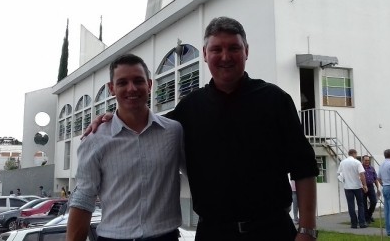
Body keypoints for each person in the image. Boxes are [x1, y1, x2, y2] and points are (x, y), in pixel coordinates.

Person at [84, 17, 319, 240]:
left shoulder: (275, 100)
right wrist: (112, 117)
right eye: (216, 49)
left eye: (234, 48)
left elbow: (304, 168)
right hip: (213, 233)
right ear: (205, 55)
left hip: (272, 230)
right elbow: (146, 123)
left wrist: (307, 230)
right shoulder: (189, 109)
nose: (225, 56)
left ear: (246, 51)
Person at [67, 54, 184, 241]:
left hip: (165, 237)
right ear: (112, 88)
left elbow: (198, 175)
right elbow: (84, 198)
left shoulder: (174, 131)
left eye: (138, 81)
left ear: (150, 85)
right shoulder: (95, 139)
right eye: (122, 83)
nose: (132, 88)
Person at [337, 149, 368, 229]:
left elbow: (339, 173)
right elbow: (362, 174)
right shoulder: (357, 162)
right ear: (354, 154)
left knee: (351, 205)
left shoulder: (343, 162)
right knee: (360, 204)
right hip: (357, 186)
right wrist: (364, 185)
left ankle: (354, 223)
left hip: (347, 187)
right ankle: (362, 222)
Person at [362, 155, 380, 224]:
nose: (367, 162)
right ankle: (367, 218)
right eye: (365, 160)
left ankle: (369, 215)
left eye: (368, 160)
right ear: (363, 160)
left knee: (374, 201)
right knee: (364, 203)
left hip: (371, 186)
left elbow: (375, 179)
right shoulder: (360, 168)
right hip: (362, 187)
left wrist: (378, 188)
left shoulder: (371, 168)